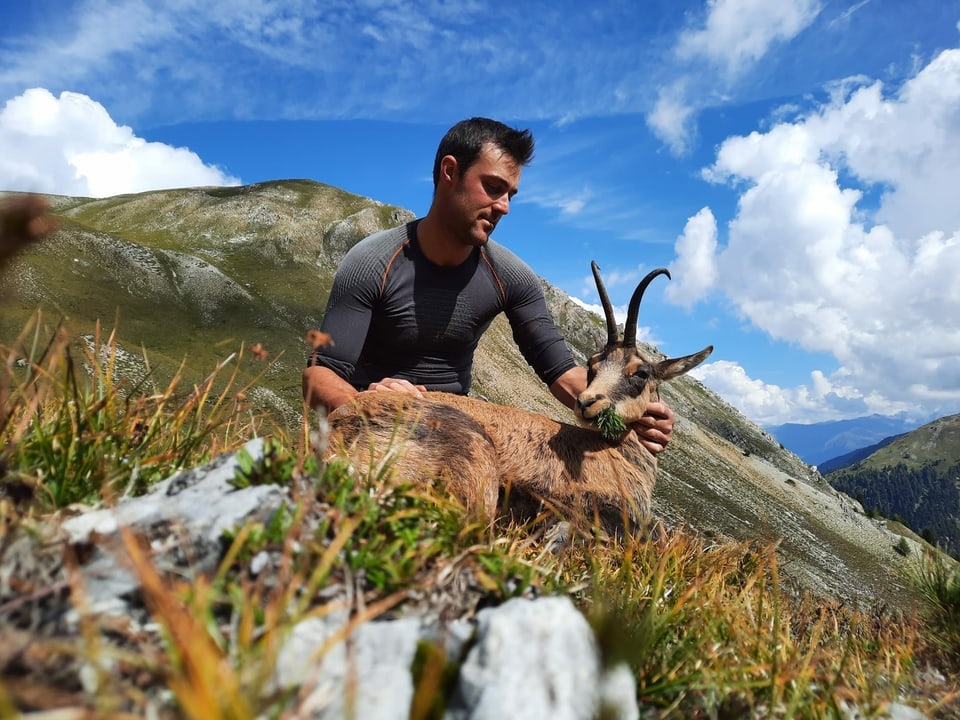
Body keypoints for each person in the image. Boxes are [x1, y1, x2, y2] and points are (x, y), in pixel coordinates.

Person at [302, 117, 675, 454]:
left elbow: (561, 372)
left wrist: (634, 412)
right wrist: (370, 407)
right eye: (494, 187)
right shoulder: (372, 261)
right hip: (367, 424)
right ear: (450, 172)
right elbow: (319, 375)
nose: (504, 207)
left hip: (449, 435)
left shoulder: (512, 277)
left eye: (511, 194)